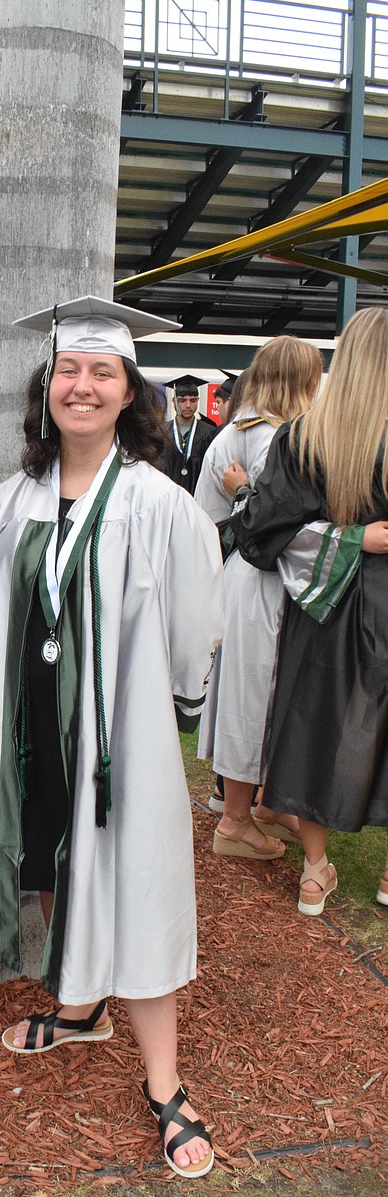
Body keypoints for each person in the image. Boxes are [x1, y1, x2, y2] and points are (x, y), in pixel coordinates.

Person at [0, 296, 223, 1179]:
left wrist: (175, 706)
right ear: (47, 386)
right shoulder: (14, 498)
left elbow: (199, 624)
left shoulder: (160, 504)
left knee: (140, 884)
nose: (81, 386)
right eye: (68, 370)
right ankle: (82, 1006)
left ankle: (165, 1086)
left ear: (128, 394)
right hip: (37, 723)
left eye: (101, 372)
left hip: (122, 738)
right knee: (47, 857)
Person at [232, 307, 388, 914]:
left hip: (327, 605)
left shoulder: (303, 437)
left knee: (316, 725)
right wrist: (359, 539)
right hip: (364, 594)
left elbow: (261, 530)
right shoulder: (307, 436)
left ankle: (316, 871)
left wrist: (342, 538)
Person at [195, 336, 323, 859]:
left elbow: (202, 522)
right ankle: (235, 820)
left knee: (247, 691)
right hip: (273, 578)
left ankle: (260, 802)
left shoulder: (230, 436)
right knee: (259, 694)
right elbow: (285, 522)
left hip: (239, 575)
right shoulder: (281, 438)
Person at [160, 374, 218, 495]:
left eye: (192, 400)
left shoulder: (210, 433)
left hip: (198, 498)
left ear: (197, 400)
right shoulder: (161, 432)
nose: (188, 405)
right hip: (168, 498)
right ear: (174, 401)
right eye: (182, 400)